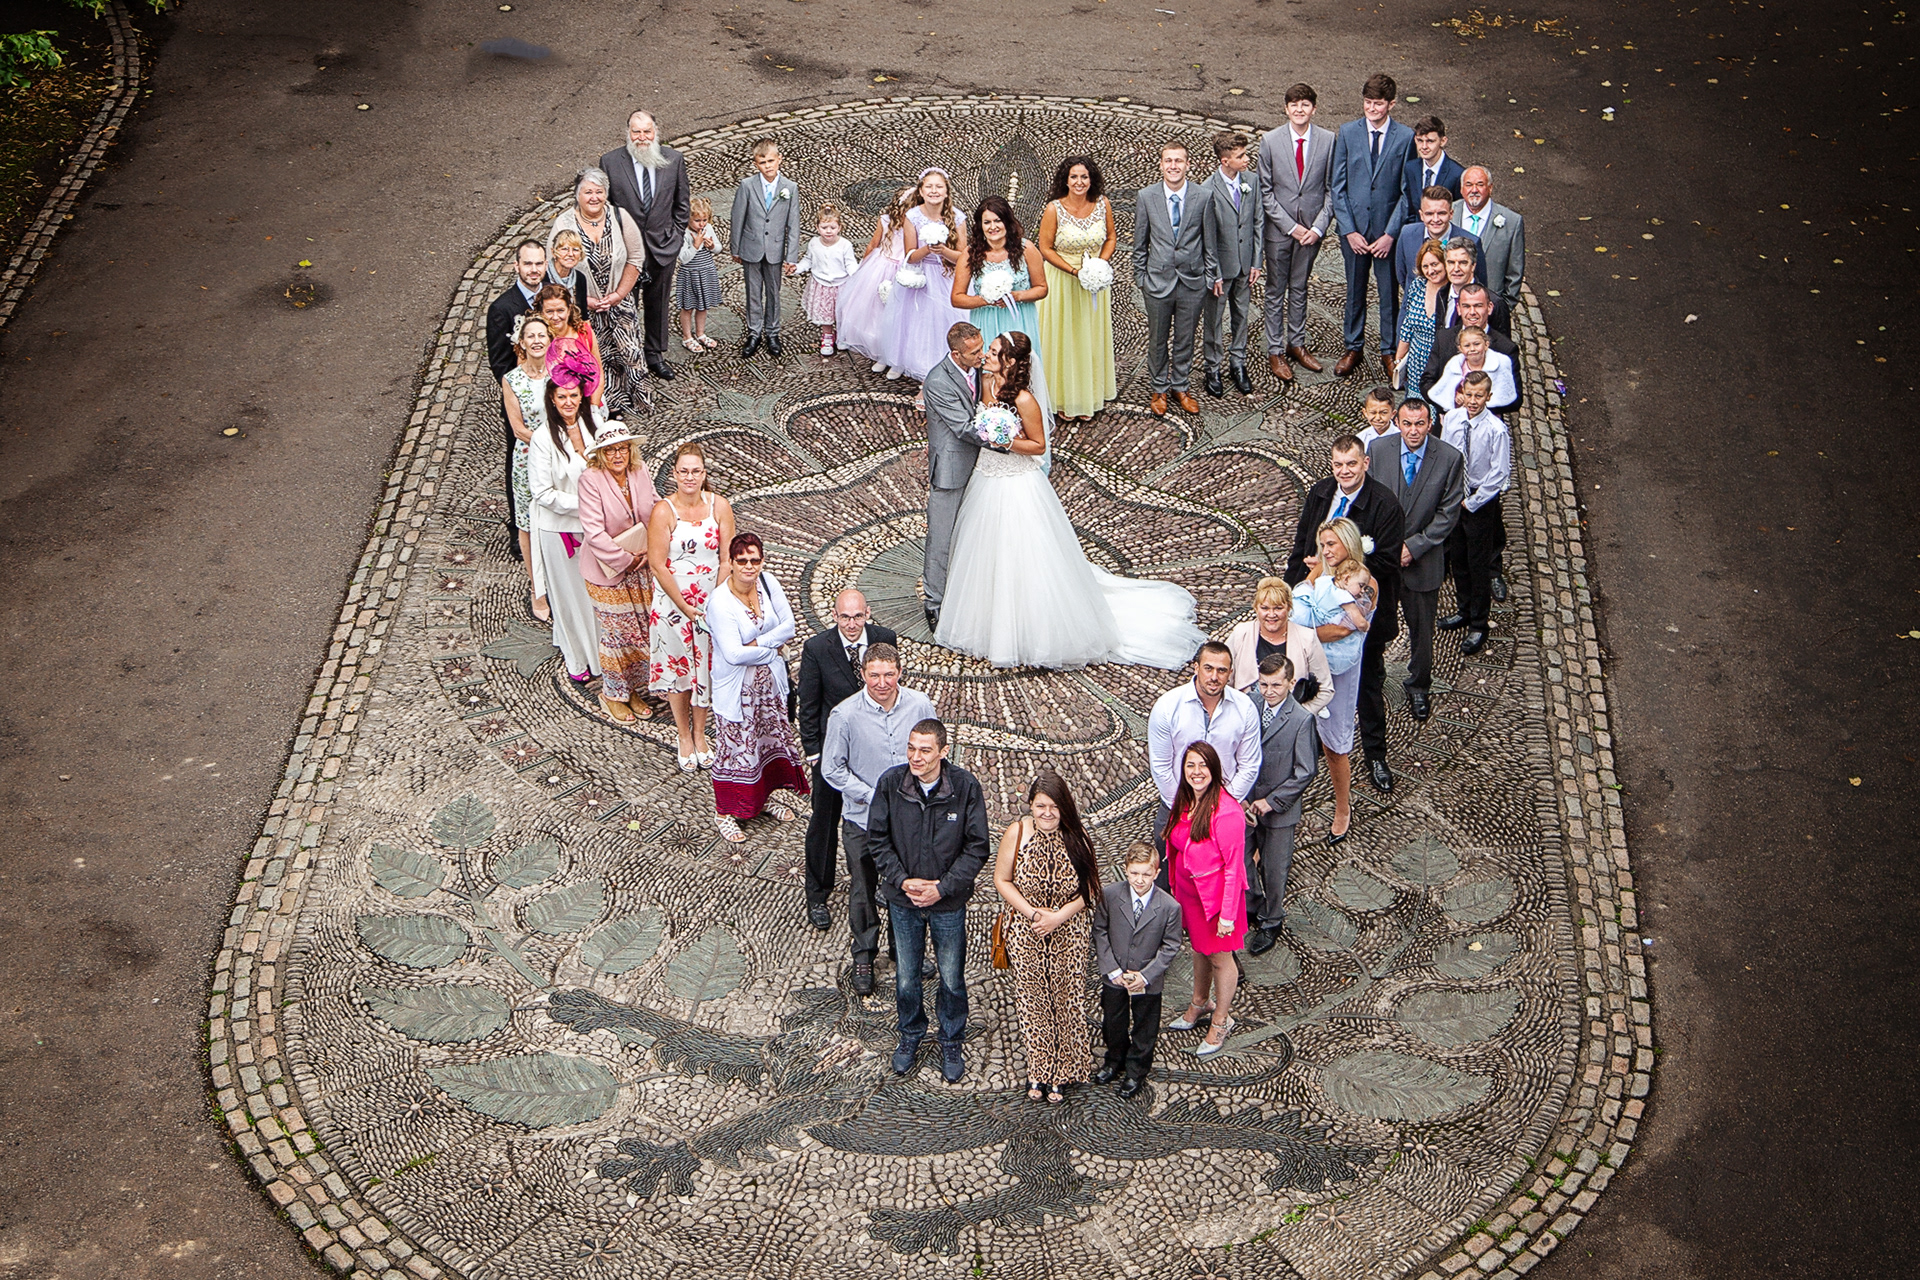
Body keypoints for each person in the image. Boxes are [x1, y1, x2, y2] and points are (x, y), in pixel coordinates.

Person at [935, 332, 1205, 670]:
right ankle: (986, 620)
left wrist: (1004, 441)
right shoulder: (985, 382)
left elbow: (1038, 445)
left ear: (1009, 361)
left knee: (1022, 553)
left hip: (1015, 482)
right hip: (986, 477)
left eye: (992, 352)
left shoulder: (1024, 400)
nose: (986, 356)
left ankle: (1031, 627)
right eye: (987, 351)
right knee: (983, 550)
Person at [867, 718, 990, 1083]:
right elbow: (877, 839)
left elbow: (977, 846)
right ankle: (910, 1034)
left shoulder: (965, 787)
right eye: (911, 748)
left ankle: (951, 1038)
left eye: (924, 750)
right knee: (906, 977)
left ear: (943, 752)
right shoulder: (891, 783)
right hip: (903, 901)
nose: (915, 757)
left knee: (951, 977)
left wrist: (943, 887)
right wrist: (902, 881)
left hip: (947, 903)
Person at [1285, 434, 1406, 795]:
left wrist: (1337, 570)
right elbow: (1302, 544)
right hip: (1314, 608)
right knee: (1308, 681)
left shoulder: (1384, 505)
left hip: (1358, 618)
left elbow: (1387, 561)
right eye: (1338, 465)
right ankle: (1309, 749)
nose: (1345, 471)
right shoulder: (1322, 493)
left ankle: (1375, 755)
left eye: (1351, 464)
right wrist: (1294, 590)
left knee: (1367, 686)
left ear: (1365, 463)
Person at [820, 643, 936, 996]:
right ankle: (864, 955)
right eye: (874, 675)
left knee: (906, 887)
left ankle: (904, 949)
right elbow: (832, 769)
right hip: (862, 820)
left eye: (889, 675)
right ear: (863, 674)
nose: (882, 683)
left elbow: (933, 754)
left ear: (900, 672)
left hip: (908, 820)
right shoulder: (844, 715)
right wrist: (873, 796)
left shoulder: (920, 705)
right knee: (862, 889)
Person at [992, 772, 1100, 1104]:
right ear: (1031, 805)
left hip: (1069, 932)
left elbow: (1091, 888)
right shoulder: (1017, 833)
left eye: (1054, 806)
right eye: (1041, 806)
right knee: (1033, 1001)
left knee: (1067, 999)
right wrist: (1032, 914)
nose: (1048, 813)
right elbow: (1002, 880)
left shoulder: (1077, 835)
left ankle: (1066, 1067)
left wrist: (1058, 917)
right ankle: (1039, 1068)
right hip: (1027, 932)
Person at [795, 591, 897, 932]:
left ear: (867, 613)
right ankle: (817, 893)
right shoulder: (817, 648)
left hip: (872, 752)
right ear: (834, 616)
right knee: (824, 823)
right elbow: (809, 704)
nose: (851, 625)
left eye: (857, 617)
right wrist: (814, 752)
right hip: (833, 752)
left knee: (880, 820)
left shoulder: (884, 639)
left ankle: (879, 881)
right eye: (844, 618)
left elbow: (890, 689)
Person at [706, 532, 809, 843]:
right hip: (738, 693)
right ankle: (724, 812)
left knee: (764, 745)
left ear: (762, 561)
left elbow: (789, 626)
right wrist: (771, 650)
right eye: (742, 561)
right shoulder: (720, 602)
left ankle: (761, 800)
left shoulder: (768, 582)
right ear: (731, 563)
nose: (749, 566)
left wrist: (757, 644)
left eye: (754, 560)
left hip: (769, 690)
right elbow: (733, 654)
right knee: (734, 750)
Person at [1368, 399, 1465, 726]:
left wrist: (1414, 547)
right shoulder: (1378, 450)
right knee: (1374, 623)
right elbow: (1369, 501)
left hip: (1423, 563)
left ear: (1430, 424)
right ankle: (1374, 674)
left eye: (1419, 424)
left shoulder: (1449, 458)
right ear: (1397, 422)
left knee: (1422, 632)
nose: (1413, 431)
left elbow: (1448, 513)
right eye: (1407, 424)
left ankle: (1419, 685)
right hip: (1383, 562)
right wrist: (1387, 547)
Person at [647, 442, 735, 770]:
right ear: (674, 474)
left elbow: (726, 558)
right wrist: (685, 607)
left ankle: (700, 733)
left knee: (705, 670)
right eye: (683, 471)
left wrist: (715, 600)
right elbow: (658, 565)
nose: (689, 477)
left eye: (695, 471)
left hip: (709, 602)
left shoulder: (719, 506)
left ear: (704, 473)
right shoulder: (663, 511)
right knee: (678, 670)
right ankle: (683, 734)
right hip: (673, 605)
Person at [1292, 518, 1376, 842]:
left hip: (1339, 670)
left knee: (1335, 744)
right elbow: (1302, 600)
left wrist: (1303, 631)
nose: (1325, 551)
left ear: (1348, 544)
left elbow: (1341, 629)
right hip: (1309, 663)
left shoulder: (1365, 583)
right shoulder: (1322, 573)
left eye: (1332, 544)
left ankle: (1343, 807)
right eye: (1322, 545)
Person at [1164, 742, 1247, 1057]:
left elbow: (1234, 867)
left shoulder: (1227, 813)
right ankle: (1200, 1002)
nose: (1196, 772)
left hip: (1217, 903)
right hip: (1191, 896)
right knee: (1200, 949)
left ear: (1214, 769)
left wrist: (1227, 915)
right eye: (1190, 765)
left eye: (1202, 765)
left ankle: (1222, 1020)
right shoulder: (1186, 800)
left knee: (1220, 959)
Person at [1146, 642, 1261, 867]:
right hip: (1177, 806)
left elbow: (1249, 765)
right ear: (1196, 667)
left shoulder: (1245, 708)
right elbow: (1160, 766)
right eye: (1208, 668)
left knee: (1231, 874)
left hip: (1224, 808)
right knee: (1170, 874)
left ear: (1230, 673)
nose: (1214, 677)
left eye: (1221, 670)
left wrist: (1221, 807)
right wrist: (1185, 807)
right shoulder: (1167, 707)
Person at [1330, 73, 1415, 379]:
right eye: (1368, 102)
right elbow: (1337, 186)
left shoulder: (1405, 138)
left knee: (1388, 294)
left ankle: (1389, 351)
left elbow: (1407, 191)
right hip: (1355, 231)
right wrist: (1349, 230)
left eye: (1378, 104)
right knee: (1354, 291)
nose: (1372, 109)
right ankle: (1353, 347)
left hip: (1385, 234)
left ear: (1391, 104)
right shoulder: (1347, 132)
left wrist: (1391, 234)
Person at [575, 422, 660, 725]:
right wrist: (626, 559)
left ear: (630, 449)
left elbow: (655, 508)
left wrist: (653, 549)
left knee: (641, 630)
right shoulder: (590, 479)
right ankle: (612, 695)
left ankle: (632, 690)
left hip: (643, 564)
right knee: (617, 635)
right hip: (607, 571)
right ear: (600, 454)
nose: (617, 455)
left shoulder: (640, 470)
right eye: (609, 450)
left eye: (621, 448)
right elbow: (594, 532)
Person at [599, 110, 692, 380]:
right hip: (626, 252)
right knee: (625, 304)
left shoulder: (674, 160)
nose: (642, 137)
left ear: (655, 132)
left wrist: (675, 238)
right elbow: (606, 208)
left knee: (658, 302)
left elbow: (682, 204)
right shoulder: (610, 162)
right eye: (636, 131)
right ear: (628, 132)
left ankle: (654, 354)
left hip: (662, 246)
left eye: (647, 131)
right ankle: (627, 355)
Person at [951, 195, 1050, 447]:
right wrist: (985, 299)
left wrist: (1016, 296)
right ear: (980, 225)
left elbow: (1041, 288)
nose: (993, 227)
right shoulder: (971, 254)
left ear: (1007, 221)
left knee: (1019, 375)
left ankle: (1028, 434)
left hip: (1019, 320)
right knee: (989, 374)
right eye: (987, 222)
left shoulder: (1026, 249)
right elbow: (957, 298)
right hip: (986, 320)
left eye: (997, 220)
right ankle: (992, 429)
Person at [548, 168, 648, 416]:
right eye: (588, 192)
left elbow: (636, 258)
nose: (594, 197)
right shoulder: (564, 223)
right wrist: (584, 300)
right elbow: (555, 268)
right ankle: (603, 407)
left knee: (630, 353)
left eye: (599, 192)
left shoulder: (620, 217)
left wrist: (619, 294)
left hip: (619, 302)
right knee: (595, 358)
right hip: (582, 309)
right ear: (577, 194)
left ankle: (639, 401)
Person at [526, 374, 602, 688]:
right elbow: (542, 493)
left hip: (595, 525)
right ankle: (577, 658)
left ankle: (603, 652)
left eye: (573, 396)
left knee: (596, 594)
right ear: (552, 400)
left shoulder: (594, 423)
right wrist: (587, 504)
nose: (568, 402)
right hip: (560, 530)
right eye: (562, 397)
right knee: (569, 597)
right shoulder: (543, 438)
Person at [1091, 841, 1183, 1099]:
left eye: (1146, 874)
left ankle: (1136, 1071)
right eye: (1134, 873)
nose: (1139, 880)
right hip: (1115, 975)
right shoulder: (1110, 895)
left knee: (1145, 1027)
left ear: (1156, 873)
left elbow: (1171, 945)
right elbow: (1100, 930)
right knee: (1113, 1021)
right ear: (1126, 870)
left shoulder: (1170, 906)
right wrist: (1112, 969)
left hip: (1147, 979)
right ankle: (1114, 1060)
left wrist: (1146, 975)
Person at [1257, 84, 1335, 384]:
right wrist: (1290, 226)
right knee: (1276, 289)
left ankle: (1297, 343)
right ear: (1286, 109)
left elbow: (1331, 190)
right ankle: (1275, 349)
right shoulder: (1270, 141)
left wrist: (1317, 227)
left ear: (1314, 109)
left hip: (1311, 231)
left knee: (1300, 287)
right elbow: (1265, 192)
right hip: (1280, 230)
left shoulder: (1328, 140)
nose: (1299, 110)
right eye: (1294, 105)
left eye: (1305, 104)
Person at [1132, 141, 1218, 417]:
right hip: (1157, 282)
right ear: (1161, 165)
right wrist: (1142, 278)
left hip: (1192, 282)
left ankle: (1181, 385)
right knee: (1157, 338)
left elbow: (1210, 242)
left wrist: (1209, 278)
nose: (1173, 166)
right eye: (1168, 160)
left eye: (1178, 161)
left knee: (1185, 337)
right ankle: (1159, 387)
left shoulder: (1203, 197)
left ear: (1187, 164)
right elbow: (1140, 242)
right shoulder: (1147, 197)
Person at [1243, 655, 1319, 955]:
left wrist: (1273, 801)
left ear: (1290, 682)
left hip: (1279, 812)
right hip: (1246, 803)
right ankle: (1253, 905)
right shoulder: (1249, 704)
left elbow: (1305, 771)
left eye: (1276, 685)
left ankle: (1272, 920)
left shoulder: (1301, 720)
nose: (1269, 691)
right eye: (1263, 684)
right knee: (1241, 860)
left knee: (1275, 870)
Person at [1034, 156, 1117, 422]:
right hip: (1063, 280)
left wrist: (1100, 264)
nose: (1079, 182)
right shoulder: (1054, 209)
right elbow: (1045, 248)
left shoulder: (1103, 204)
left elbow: (1111, 237)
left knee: (1089, 336)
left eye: (1084, 177)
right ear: (1066, 180)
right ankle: (1062, 396)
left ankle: (1088, 394)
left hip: (1094, 284)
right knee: (1064, 337)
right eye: (1074, 177)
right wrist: (1074, 271)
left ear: (1091, 180)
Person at [1436, 372, 1511, 656]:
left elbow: (1499, 472)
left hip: (1480, 499)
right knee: (1458, 557)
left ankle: (1479, 623)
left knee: (1478, 562)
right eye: (1469, 394)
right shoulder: (1453, 419)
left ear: (1488, 397)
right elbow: (1445, 455)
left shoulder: (1496, 430)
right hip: (1457, 495)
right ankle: (1464, 609)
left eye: (1479, 396)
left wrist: (1475, 501)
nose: (1473, 401)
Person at [919, 322, 985, 633]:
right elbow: (963, 427)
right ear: (956, 355)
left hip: (983, 466)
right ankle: (934, 603)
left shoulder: (981, 368)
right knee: (941, 539)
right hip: (952, 468)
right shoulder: (938, 381)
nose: (981, 356)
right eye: (974, 352)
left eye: (981, 348)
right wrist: (1010, 440)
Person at [879, 167, 968, 381]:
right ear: (921, 191)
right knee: (913, 320)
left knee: (943, 320)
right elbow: (910, 256)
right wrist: (928, 248)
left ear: (946, 192)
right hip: (920, 274)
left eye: (939, 187)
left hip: (946, 275)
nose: (934, 191)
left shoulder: (957, 218)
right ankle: (903, 360)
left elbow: (963, 257)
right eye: (929, 187)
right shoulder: (912, 216)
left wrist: (943, 251)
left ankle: (943, 362)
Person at [487, 240, 548, 539]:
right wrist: (523, 386)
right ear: (517, 266)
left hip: (554, 389)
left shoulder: (552, 298)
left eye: (538, 264)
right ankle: (519, 526)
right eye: (528, 264)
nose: (533, 270)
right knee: (519, 460)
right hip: (522, 398)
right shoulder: (502, 308)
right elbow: (499, 363)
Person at [729, 138, 804, 359]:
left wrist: (791, 256)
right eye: (762, 163)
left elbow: (793, 224)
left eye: (771, 161)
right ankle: (754, 332)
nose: (768, 166)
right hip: (751, 247)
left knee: (773, 292)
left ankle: (772, 332)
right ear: (756, 164)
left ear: (779, 159)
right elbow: (737, 217)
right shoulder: (747, 186)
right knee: (753, 292)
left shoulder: (790, 188)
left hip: (775, 250)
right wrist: (736, 249)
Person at [1201, 131, 1263, 398]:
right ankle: (1213, 367)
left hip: (1245, 264)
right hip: (1221, 268)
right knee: (1214, 320)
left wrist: (1256, 261)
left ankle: (1238, 363)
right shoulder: (1207, 189)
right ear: (1225, 161)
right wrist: (1213, 272)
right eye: (1241, 156)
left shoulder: (1252, 181)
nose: (1247, 159)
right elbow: (1207, 235)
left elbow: (1258, 222)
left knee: (1242, 315)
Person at [501, 313, 551, 621]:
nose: (536, 340)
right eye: (530, 336)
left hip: (560, 455)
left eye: (541, 335)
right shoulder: (512, 380)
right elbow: (518, 428)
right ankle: (537, 588)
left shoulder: (560, 372)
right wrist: (548, 443)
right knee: (527, 523)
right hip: (529, 456)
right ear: (522, 342)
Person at [1224, 577, 1334, 717]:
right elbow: (1224, 678)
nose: (1271, 615)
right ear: (1256, 608)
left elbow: (1325, 689)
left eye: (1278, 608)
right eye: (1265, 608)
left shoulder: (1307, 638)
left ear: (1289, 608)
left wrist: (1298, 717)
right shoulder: (1241, 633)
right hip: (1245, 716)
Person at [838, 186, 914, 372]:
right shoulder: (885, 220)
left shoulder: (915, 225)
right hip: (880, 267)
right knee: (875, 313)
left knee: (898, 315)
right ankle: (881, 353)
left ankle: (897, 359)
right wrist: (862, 269)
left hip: (903, 269)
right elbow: (873, 244)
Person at [1421, 283, 1522, 413]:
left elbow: (1515, 399)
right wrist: (1450, 398)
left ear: (1489, 308)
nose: (1472, 312)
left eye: (1478, 306)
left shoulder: (1505, 348)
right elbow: (1427, 382)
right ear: (1458, 309)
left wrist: (1476, 404)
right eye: (1466, 306)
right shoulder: (1444, 338)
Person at [1454, 166, 1525, 323]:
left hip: (1491, 313)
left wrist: (1502, 308)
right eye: (1469, 184)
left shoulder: (1512, 222)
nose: (1474, 190)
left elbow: (1515, 271)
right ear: (1461, 188)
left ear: (1490, 188)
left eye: (1480, 184)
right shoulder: (1449, 213)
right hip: (1452, 308)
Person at [795, 203, 861, 357]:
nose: (829, 231)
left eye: (832, 227)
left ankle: (842, 335)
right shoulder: (814, 243)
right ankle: (827, 336)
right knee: (826, 313)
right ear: (817, 228)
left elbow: (850, 264)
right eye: (824, 227)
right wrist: (797, 268)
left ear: (839, 227)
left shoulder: (845, 245)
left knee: (841, 311)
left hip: (841, 284)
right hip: (822, 284)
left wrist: (858, 275)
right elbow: (808, 260)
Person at [1392, 188, 1483, 299]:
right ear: (1421, 215)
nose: (1435, 219)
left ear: (1451, 214)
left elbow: (1479, 285)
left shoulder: (1472, 241)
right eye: (1429, 214)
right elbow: (1402, 275)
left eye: (1441, 213)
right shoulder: (1407, 234)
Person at [536, 283, 606, 413]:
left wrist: (593, 408)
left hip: (588, 404)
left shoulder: (584, 332)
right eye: (549, 312)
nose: (555, 317)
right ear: (541, 312)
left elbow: (598, 373)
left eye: (560, 310)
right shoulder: (536, 339)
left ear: (569, 310)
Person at [1392, 240, 1447, 394]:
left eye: (1435, 264)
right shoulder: (1418, 285)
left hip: (1440, 364)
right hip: (1415, 363)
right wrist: (1399, 360)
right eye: (1425, 266)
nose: (1431, 271)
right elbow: (1407, 325)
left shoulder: (1452, 292)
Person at [1428, 325, 1519, 416]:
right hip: (1459, 416)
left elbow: (1504, 394)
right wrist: (1455, 395)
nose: (1472, 349)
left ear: (1486, 344)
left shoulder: (1500, 363)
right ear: (1460, 348)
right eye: (1467, 346)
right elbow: (1446, 391)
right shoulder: (1454, 365)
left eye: (1476, 344)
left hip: (1489, 417)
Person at [674, 196, 723, 353]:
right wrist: (695, 246)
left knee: (703, 306)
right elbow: (683, 258)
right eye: (697, 221)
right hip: (690, 274)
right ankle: (687, 336)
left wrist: (712, 246)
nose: (701, 224)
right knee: (687, 307)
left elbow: (719, 248)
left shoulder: (708, 228)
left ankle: (700, 333)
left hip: (706, 272)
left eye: (704, 220)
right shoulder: (684, 233)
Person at [1399, 115, 1464, 214]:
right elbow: (1411, 209)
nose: (1424, 146)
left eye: (1430, 141)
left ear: (1443, 141)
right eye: (1420, 141)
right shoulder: (1411, 168)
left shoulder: (1457, 174)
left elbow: (1459, 211)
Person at [546, 229, 593, 318]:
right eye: (565, 249)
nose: (571, 254)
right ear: (553, 252)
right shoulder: (543, 276)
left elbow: (584, 316)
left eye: (575, 250)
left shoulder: (580, 278)